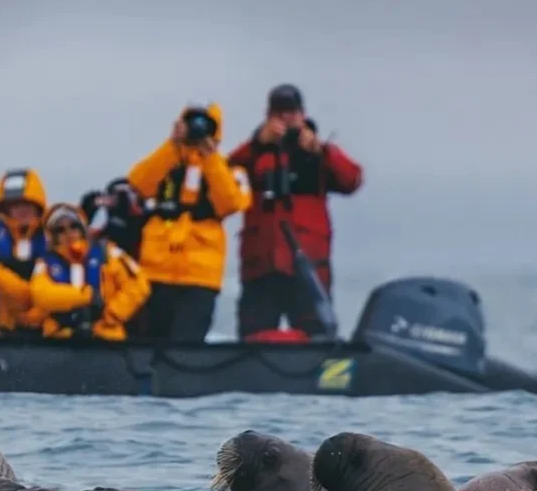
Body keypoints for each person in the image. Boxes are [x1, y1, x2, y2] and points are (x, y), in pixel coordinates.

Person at [227, 84, 363, 338]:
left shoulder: (318, 154)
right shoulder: (253, 154)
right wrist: (257, 143)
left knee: (318, 339)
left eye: (291, 113)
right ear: (268, 117)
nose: (286, 119)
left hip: (309, 266)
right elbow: (224, 179)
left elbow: (352, 180)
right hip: (262, 266)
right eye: (279, 114)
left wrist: (323, 151)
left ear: (302, 115)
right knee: (251, 340)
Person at [127, 104, 251, 341]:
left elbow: (231, 203)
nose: (197, 130)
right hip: (156, 271)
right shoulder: (168, 159)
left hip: (199, 277)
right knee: (148, 344)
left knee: (187, 347)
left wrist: (210, 158)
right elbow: (139, 185)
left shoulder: (228, 168)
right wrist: (171, 145)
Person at [29, 203, 150, 341]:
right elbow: (40, 293)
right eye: (60, 230)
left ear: (82, 228)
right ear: (52, 235)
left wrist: (113, 313)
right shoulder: (45, 263)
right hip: (60, 338)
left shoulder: (108, 253)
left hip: (105, 335)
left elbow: (139, 283)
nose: (68, 233)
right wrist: (87, 297)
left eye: (73, 226)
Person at [0, 167, 50, 332]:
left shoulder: (53, 237)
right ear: (5, 210)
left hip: (44, 321)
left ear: (38, 206)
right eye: (15, 206)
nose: (22, 211)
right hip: (4, 323)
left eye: (27, 205)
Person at [80, 178, 147, 261]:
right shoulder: (105, 213)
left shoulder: (149, 216)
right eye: (117, 193)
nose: (126, 197)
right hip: (115, 263)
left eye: (132, 192)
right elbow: (89, 235)